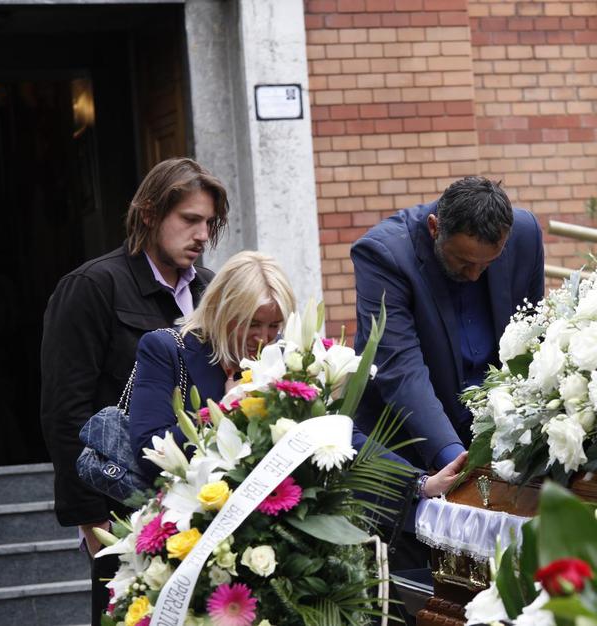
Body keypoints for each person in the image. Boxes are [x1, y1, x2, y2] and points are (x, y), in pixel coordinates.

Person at [39, 157, 229, 626]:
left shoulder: (210, 290)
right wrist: (91, 521)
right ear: (149, 214)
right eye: (189, 220)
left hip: (203, 507)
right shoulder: (92, 287)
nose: (202, 235)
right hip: (121, 511)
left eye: (209, 223)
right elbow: (65, 409)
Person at [128, 250, 465, 493]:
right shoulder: (167, 349)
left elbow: (341, 436)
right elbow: (150, 448)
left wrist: (420, 482)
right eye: (250, 324)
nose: (263, 337)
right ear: (220, 310)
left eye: (274, 325)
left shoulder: (289, 358)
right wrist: (221, 410)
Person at [351, 176, 545, 472]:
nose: (474, 276)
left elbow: (532, 336)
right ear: (434, 228)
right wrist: (453, 457)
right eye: (464, 262)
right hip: (409, 451)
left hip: (500, 445)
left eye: (488, 263)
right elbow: (401, 368)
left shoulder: (525, 236)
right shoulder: (383, 256)